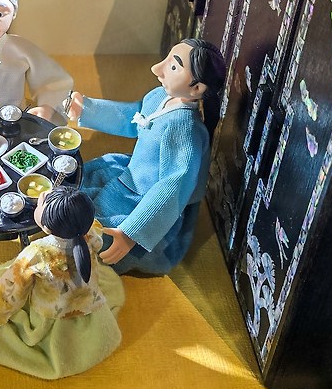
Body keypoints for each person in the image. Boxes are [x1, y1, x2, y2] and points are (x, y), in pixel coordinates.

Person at [66, 38, 226, 276]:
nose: (157, 68)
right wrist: (87, 110)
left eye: (173, 66)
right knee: (73, 188)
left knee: (94, 236)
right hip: (129, 171)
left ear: (197, 89)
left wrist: (131, 233)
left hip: (146, 202)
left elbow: (172, 187)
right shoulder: (159, 96)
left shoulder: (185, 129)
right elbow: (133, 117)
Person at [0, 186, 124, 379]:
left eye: (41, 206)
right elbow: (97, 239)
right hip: (88, 300)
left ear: (47, 226)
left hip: (51, 312)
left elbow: (14, 285)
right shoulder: (91, 232)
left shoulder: (38, 252)